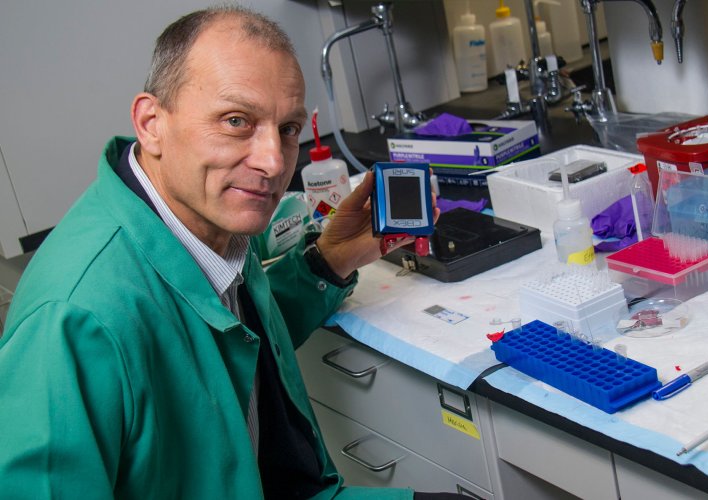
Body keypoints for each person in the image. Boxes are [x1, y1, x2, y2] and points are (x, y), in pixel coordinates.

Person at [0, 6, 460, 499]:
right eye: (236, 120)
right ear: (151, 122)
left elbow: (211, 343)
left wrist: (330, 258)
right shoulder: (74, 318)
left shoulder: (206, 217)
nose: (273, 161)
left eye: (287, 128)